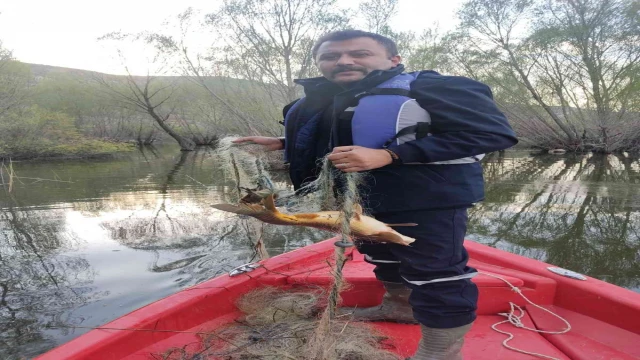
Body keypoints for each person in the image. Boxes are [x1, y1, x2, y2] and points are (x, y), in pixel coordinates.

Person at [233, 29, 518, 360]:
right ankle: (399, 307)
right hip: (356, 203)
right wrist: (281, 144)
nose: (344, 61)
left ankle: (440, 351)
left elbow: (492, 134)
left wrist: (390, 155)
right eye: (331, 56)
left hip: (424, 202)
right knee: (381, 258)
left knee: (435, 277)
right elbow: (335, 139)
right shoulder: (323, 99)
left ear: (393, 59)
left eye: (360, 53)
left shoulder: (433, 87)